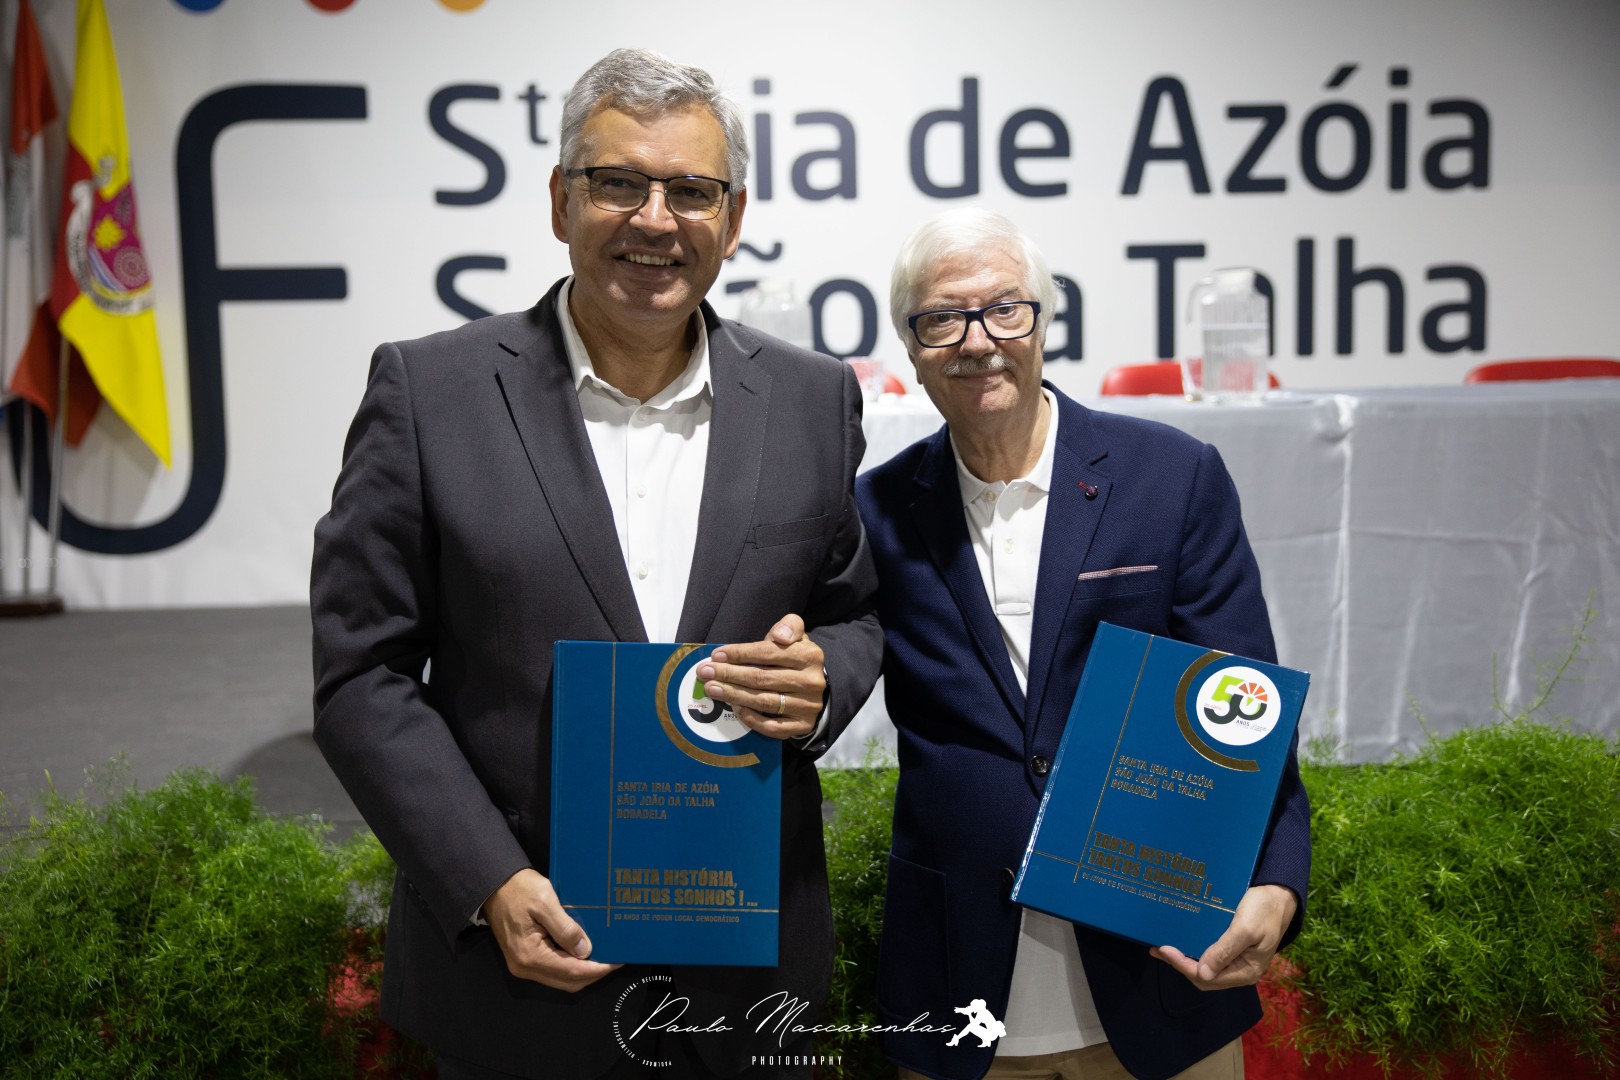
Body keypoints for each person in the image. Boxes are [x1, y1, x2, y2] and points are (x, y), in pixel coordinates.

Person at [311, 48, 882, 1080]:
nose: (655, 220)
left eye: (691, 191)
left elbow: (854, 614)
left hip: (746, 982)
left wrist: (823, 681)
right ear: (560, 201)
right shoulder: (428, 394)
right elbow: (362, 675)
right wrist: (486, 879)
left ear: (733, 220)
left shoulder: (813, 400)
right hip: (520, 975)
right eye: (619, 182)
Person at [854, 208, 1310, 1080]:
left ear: (1045, 318)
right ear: (911, 347)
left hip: (1163, 978)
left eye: (1005, 309)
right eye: (942, 318)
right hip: (959, 994)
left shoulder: (1172, 476)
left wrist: (1278, 881)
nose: (978, 341)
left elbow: (1247, 703)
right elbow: (829, 665)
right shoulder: (874, 510)